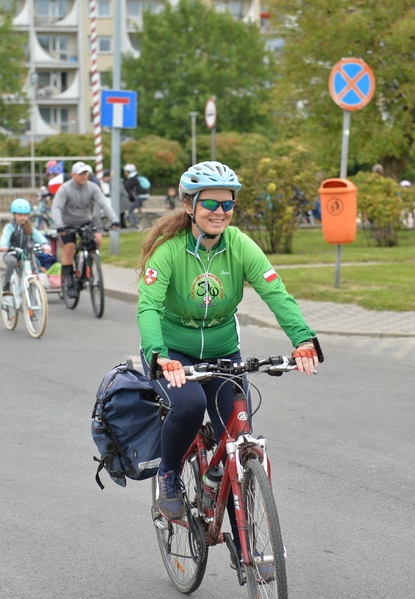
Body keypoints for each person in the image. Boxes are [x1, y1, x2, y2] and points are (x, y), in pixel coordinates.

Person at [137, 161, 320, 569]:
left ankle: (242, 540)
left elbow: (276, 293)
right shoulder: (169, 251)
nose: (220, 211)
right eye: (210, 203)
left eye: (228, 203)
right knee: (187, 407)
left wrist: (303, 339)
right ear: (190, 204)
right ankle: (168, 475)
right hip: (175, 353)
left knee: (239, 437)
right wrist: (158, 354)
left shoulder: (239, 245)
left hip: (224, 352)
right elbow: (148, 307)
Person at [51, 161, 119, 298]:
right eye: (81, 173)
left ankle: (89, 262)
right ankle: (69, 282)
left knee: (97, 239)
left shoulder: (93, 188)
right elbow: (56, 208)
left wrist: (114, 219)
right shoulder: (65, 189)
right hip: (67, 224)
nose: (84, 176)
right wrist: (59, 225)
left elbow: (104, 204)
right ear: (73, 175)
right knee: (69, 248)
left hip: (85, 221)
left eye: (86, 173)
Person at [0, 198, 52, 293]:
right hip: (12, 252)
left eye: (25, 215)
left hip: (25, 253)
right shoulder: (10, 227)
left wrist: (44, 244)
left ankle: (34, 281)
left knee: (34, 262)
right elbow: (5, 236)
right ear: (14, 215)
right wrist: (4, 246)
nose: (23, 217)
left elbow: (37, 235)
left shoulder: (28, 227)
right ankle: (6, 284)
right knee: (12, 262)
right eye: (20, 215)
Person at [123, 163, 147, 228]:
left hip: (140, 196)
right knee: (133, 207)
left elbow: (127, 188)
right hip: (144, 195)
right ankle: (139, 210)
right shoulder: (137, 176)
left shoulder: (132, 179)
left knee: (130, 210)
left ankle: (137, 225)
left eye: (125, 171)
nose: (124, 173)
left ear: (128, 171)